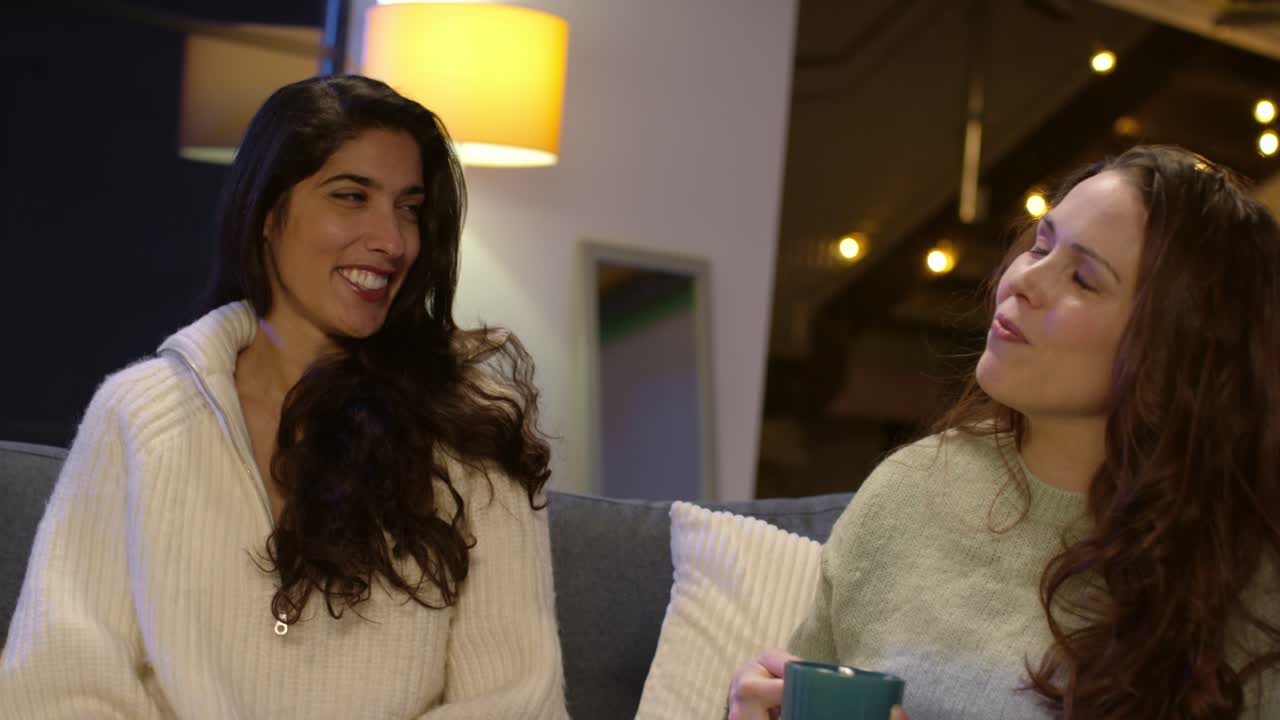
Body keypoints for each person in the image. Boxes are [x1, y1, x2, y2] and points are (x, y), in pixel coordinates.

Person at [0, 75, 568, 718]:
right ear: (267, 213)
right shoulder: (139, 414)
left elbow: (515, 701)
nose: (392, 240)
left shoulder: (472, 428)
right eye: (352, 196)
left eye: (408, 207)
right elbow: (58, 681)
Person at [729, 145, 1280, 719]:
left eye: (1084, 279)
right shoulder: (911, 488)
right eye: (1041, 246)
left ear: (1175, 360)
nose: (1025, 280)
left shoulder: (1246, 586)